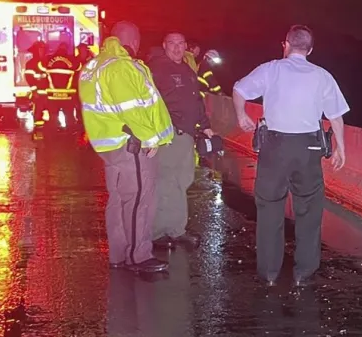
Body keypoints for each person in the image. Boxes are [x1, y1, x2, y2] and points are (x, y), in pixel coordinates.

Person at [232, 24, 349, 286]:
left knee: (270, 207)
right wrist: (341, 148)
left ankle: (269, 274)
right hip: (308, 149)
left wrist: (241, 115)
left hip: (275, 147)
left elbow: (239, 89)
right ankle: (303, 275)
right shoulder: (322, 76)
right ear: (309, 49)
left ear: (285, 44)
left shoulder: (271, 69)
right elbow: (335, 116)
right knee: (308, 209)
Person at [78, 21, 173, 274]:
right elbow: (131, 107)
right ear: (134, 41)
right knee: (139, 199)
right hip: (132, 146)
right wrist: (149, 137)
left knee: (118, 200)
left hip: (110, 144)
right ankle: (138, 255)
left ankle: (119, 253)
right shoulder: (120, 66)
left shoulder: (94, 65)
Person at [147, 31, 212, 248]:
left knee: (182, 181)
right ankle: (158, 232)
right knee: (165, 181)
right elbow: (149, 102)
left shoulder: (186, 68)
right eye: (172, 43)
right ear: (164, 45)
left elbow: (196, 100)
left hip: (187, 135)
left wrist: (206, 126)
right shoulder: (157, 68)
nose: (177, 47)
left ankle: (175, 228)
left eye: (181, 43)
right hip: (170, 134)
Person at [41, 43, 80, 128]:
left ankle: (53, 133)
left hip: (52, 95)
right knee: (69, 115)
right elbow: (78, 68)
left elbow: (42, 67)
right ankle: (71, 133)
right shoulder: (71, 60)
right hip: (67, 95)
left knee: (53, 116)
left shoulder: (49, 59)